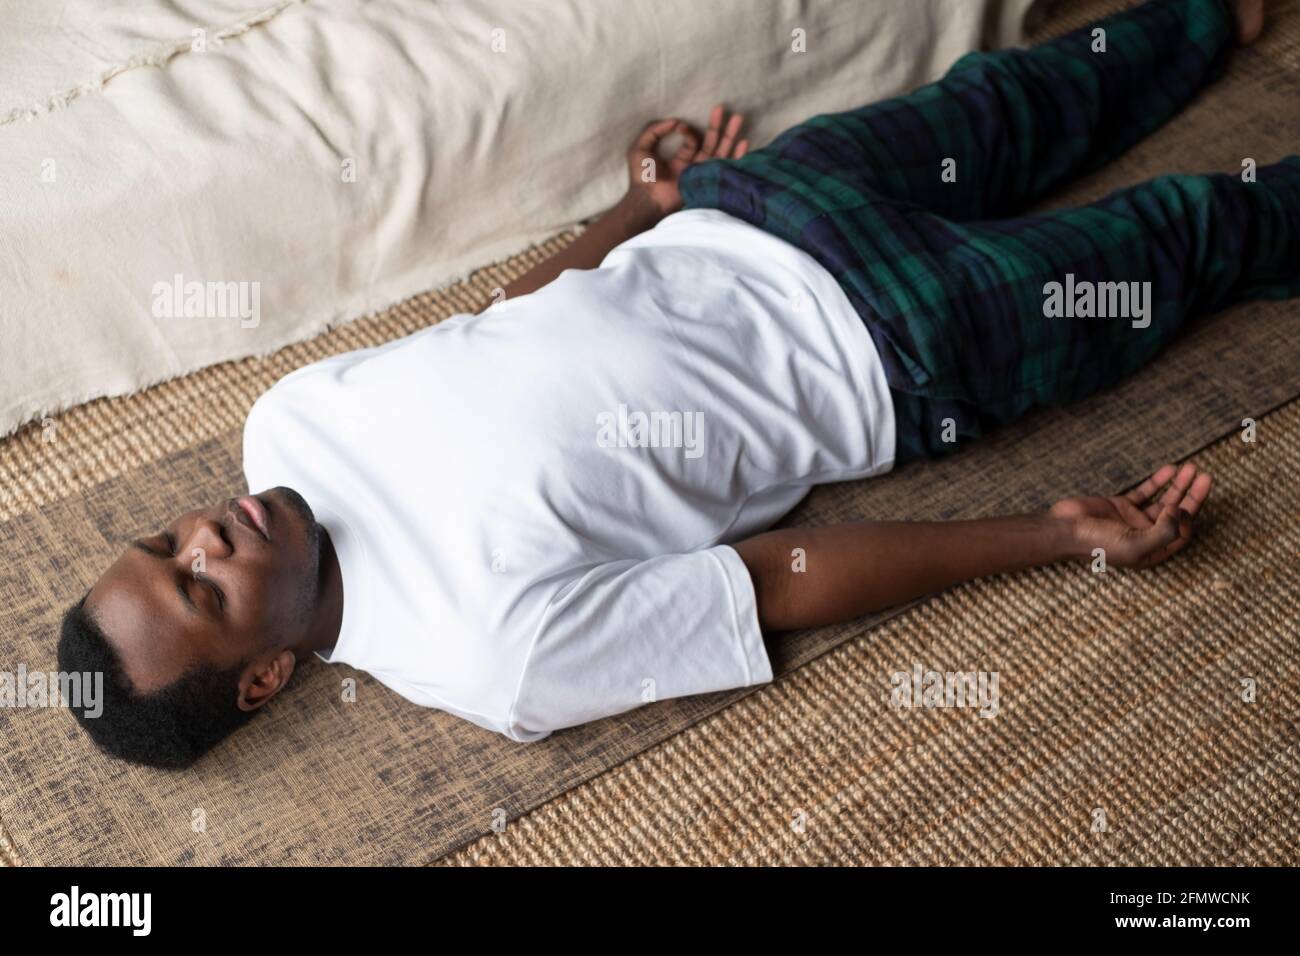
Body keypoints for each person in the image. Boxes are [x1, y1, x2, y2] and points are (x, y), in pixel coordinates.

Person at [61, 0, 1290, 768]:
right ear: (265, 676)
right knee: (1179, 237)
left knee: (1017, 98)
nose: (207, 530)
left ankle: (1216, 18)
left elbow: (491, 325)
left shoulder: (288, 424)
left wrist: (640, 207)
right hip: (895, 343)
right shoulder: (490, 657)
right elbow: (771, 580)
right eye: (202, 587)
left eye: (165, 535)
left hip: (754, 209)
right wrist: (1049, 531)